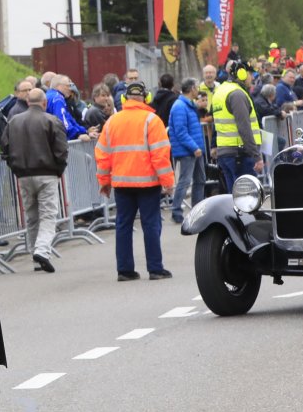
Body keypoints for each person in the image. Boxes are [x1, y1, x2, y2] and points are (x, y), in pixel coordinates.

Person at [96, 82, 175, 281]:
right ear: (146, 98)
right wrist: (167, 181)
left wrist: (104, 181)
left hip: (121, 183)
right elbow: (160, 155)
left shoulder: (112, 121)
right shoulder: (152, 120)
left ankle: (124, 270)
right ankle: (155, 269)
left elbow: (102, 155)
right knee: (151, 224)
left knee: (123, 225)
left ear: (124, 99)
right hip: (148, 183)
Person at [4, 87, 68, 273]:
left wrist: (15, 168)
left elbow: (4, 148)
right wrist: (58, 170)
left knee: (31, 216)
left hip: (23, 174)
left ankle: (35, 254)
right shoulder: (51, 121)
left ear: (27, 101)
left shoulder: (14, 122)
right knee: (48, 215)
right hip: (47, 173)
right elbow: (61, 150)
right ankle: (41, 250)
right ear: (44, 103)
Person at [210, 65, 265, 190]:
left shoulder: (220, 91)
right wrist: (256, 156)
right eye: (250, 74)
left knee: (234, 196)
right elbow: (244, 127)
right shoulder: (237, 94)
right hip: (240, 155)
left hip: (226, 153)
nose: (252, 78)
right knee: (247, 197)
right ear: (242, 74)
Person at [168, 78, 206, 224]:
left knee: (200, 180)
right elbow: (180, 131)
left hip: (194, 149)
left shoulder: (187, 105)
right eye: (197, 87)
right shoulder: (180, 106)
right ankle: (176, 211)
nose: (198, 90)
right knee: (185, 181)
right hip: (188, 151)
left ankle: (197, 210)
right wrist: (194, 147)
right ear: (192, 88)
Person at [44, 74, 89, 141]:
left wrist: (84, 131)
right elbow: (62, 122)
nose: (70, 88)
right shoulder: (58, 99)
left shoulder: (49, 95)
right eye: (68, 86)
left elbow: (69, 118)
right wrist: (77, 135)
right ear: (59, 86)